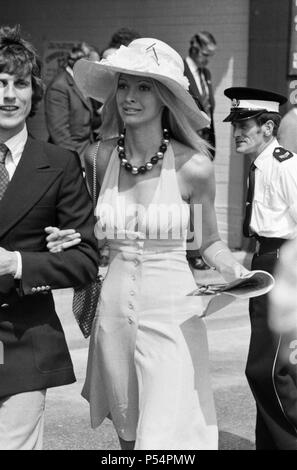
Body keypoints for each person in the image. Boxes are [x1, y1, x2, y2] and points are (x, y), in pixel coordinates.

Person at [46, 38, 250, 450]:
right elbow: (83, 234)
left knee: (166, 437)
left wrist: (234, 270)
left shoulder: (195, 166)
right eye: (123, 86)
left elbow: (208, 241)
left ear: (165, 98)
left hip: (175, 313)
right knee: (130, 431)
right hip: (114, 312)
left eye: (144, 87)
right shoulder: (96, 159)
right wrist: (66, 240)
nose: (130, 97)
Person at [0, 25, 99, 450]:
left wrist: (20, 264)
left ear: (33, 92)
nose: (9, 94)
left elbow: (85, 260)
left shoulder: (58, 164)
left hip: (23, 338)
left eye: (20, 83)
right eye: (0, 82)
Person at [223, 86, 297, 450]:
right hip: (266, 259)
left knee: (268, 369)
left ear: (268, 128)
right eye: (234, 123)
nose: (237, 131)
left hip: (285, 264)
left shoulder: (285, 165)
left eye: (245, 124)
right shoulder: (261, 164)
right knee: (274, 367)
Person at [184, 32, 217, 271]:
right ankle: (190, 250)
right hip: (187, 140)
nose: (207, 60)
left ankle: (201, 248)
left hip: (204, 142)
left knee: (201, 202)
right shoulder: (182, 71)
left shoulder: (206, 75)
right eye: (206, 55)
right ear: (195, 49)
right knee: (187, 203)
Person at [44, 42, 98, 166]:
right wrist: (75, 162)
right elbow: (59, 134)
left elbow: (86, 121)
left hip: (85, 154)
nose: (95, 69)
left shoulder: (81, 83)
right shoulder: (59, 86)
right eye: (92, 64)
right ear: (80, 62)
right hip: (70, 159)